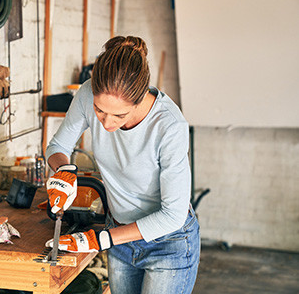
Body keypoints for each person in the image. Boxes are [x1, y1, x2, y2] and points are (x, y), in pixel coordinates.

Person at [45, 36, 200, 294]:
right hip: (119, 235)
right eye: (99, 110)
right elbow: (57, 147)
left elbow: (173, 215)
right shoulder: (86, 94)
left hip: (168, 243)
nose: (106, 125)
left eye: (119, 115)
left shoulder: (170, 126)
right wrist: (64, 171)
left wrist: (100, 239)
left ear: (140, 99)